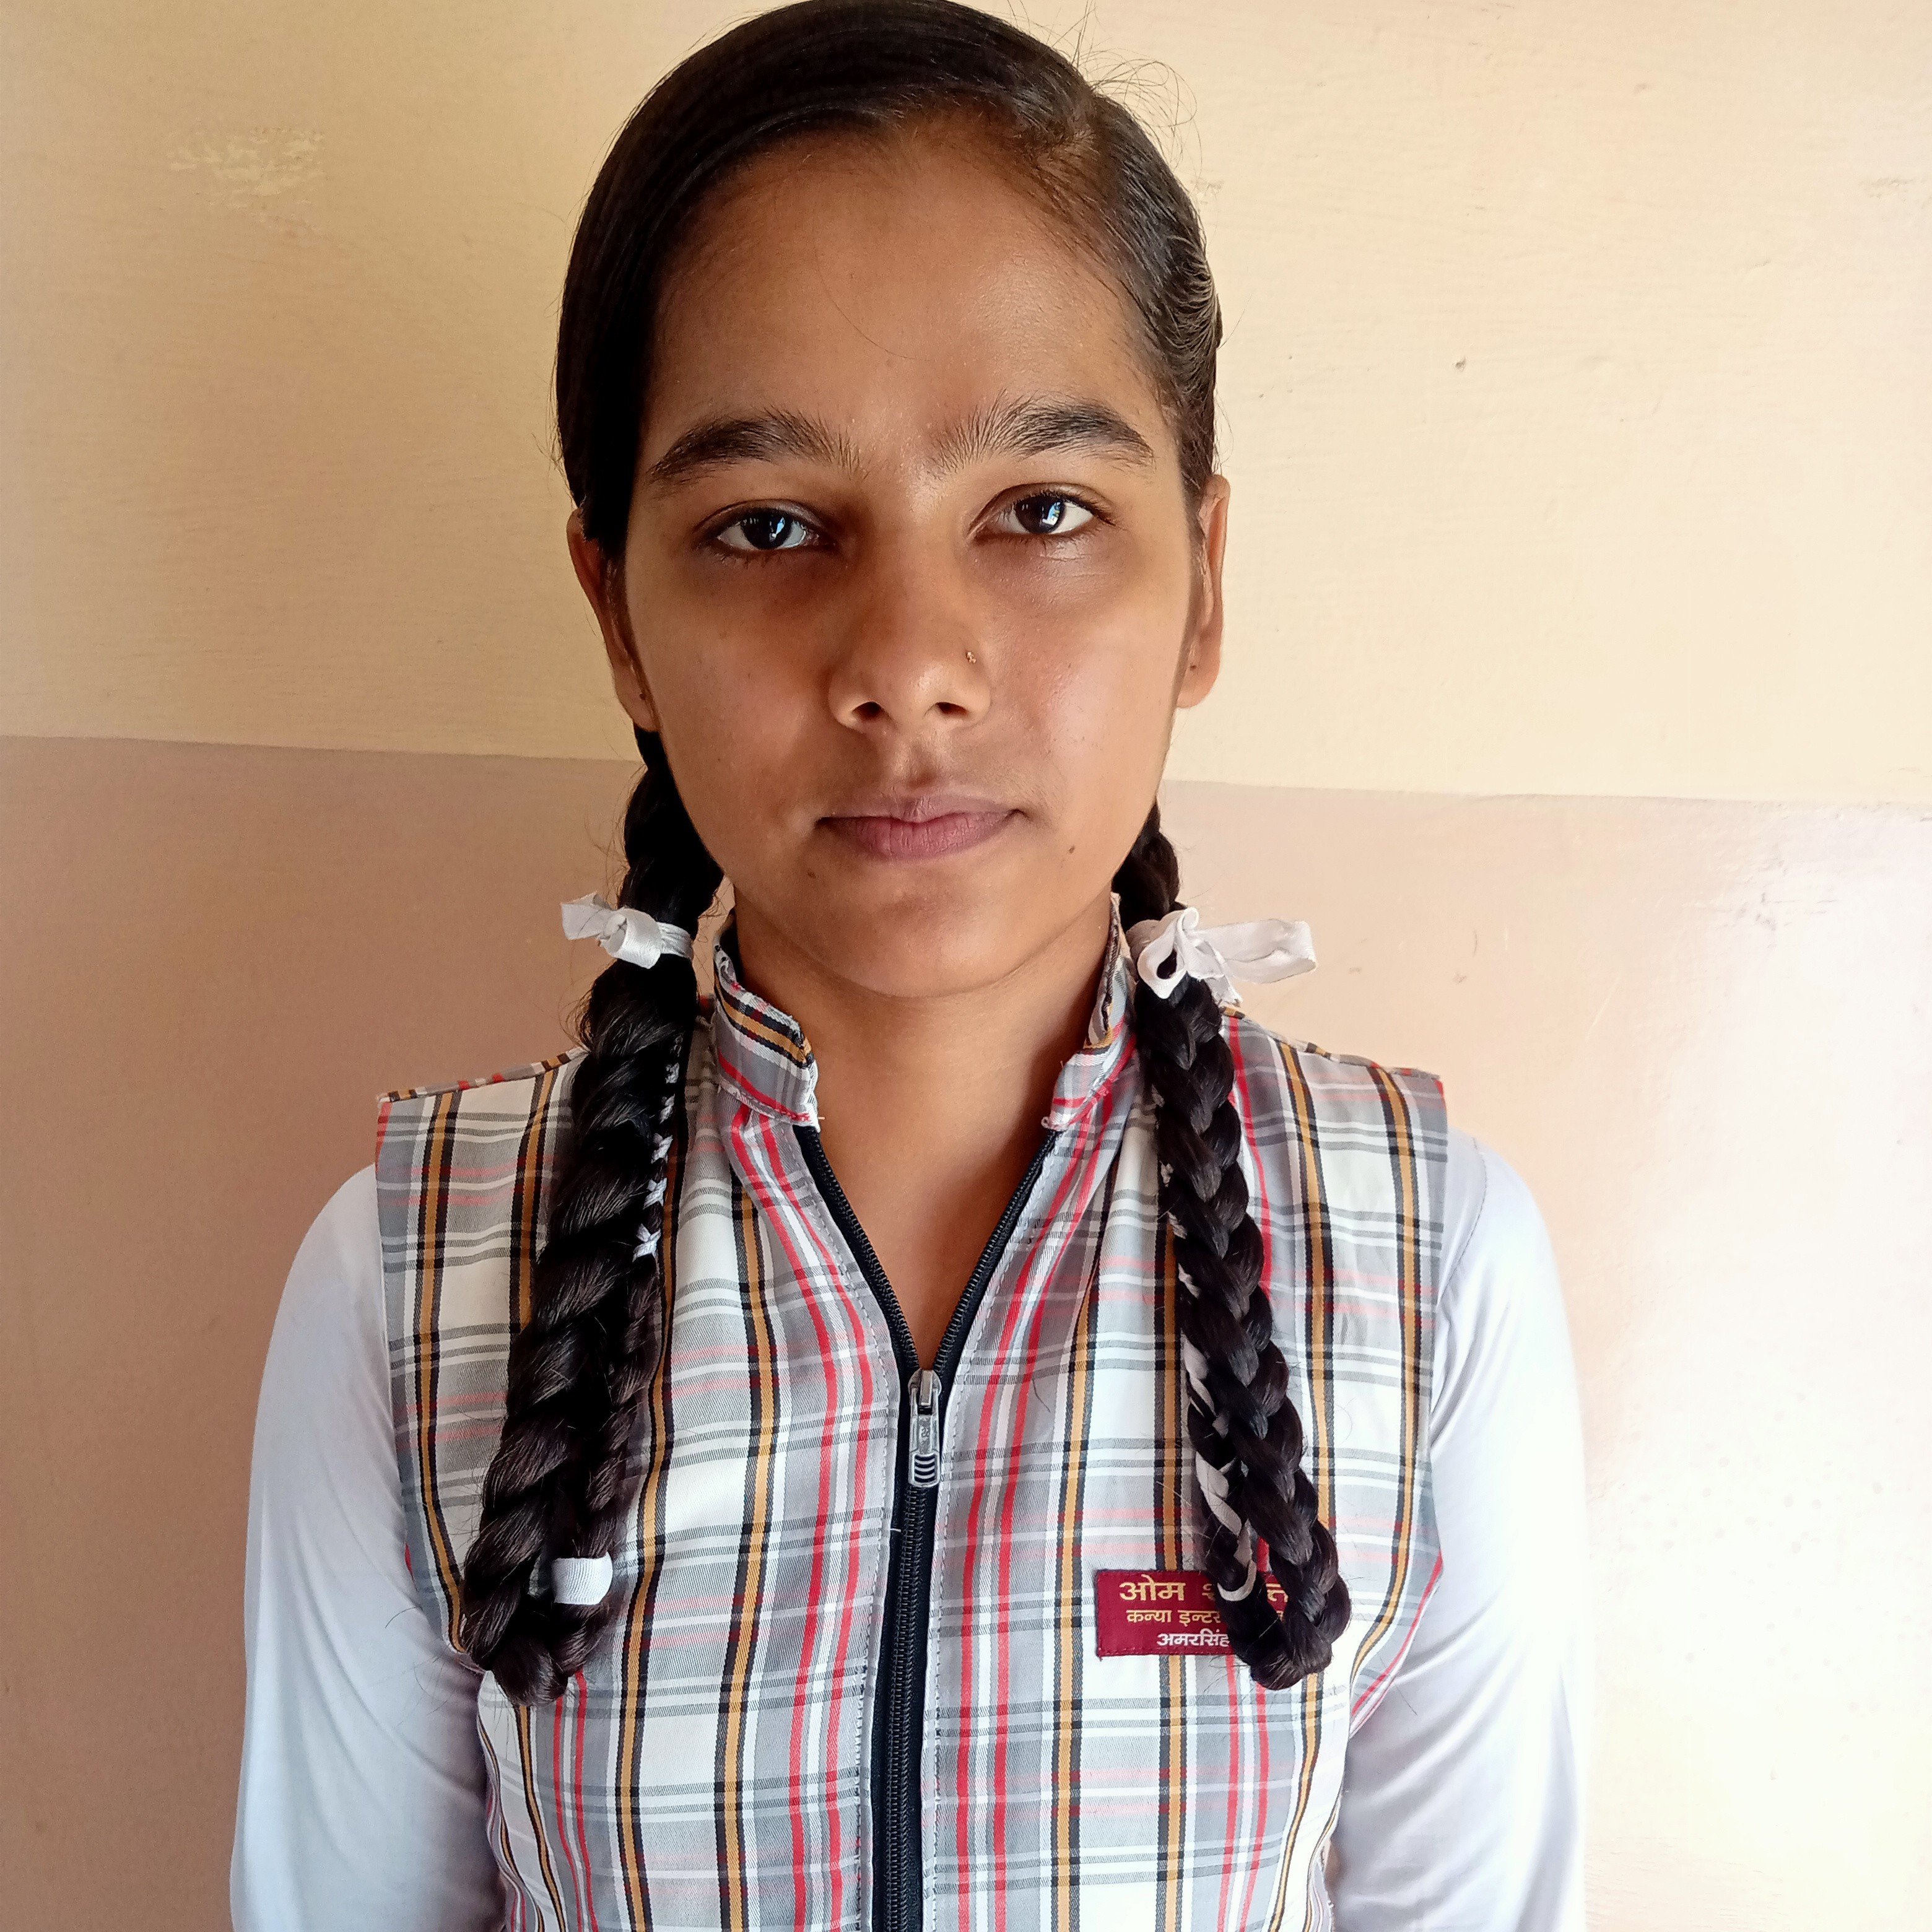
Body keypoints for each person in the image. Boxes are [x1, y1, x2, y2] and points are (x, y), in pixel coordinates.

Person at [231, 4, 1588, 1926]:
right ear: (618, 619)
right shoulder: (412, 1277)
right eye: (769, 525)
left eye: (1041, 513)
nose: (909, 666)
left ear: (1202, 582)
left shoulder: (1427, 1260)